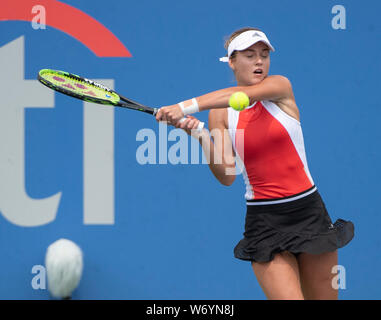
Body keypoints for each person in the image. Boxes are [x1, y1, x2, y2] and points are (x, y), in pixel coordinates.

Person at [155, 27, 354, 300]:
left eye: (264, 55)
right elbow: (227, 175)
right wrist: (200, 135)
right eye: (250, 55)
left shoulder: (280, 87)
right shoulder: (220, 114)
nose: (259, 61)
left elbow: (244, 97)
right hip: (265, 221)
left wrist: (183, 106)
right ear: (232, 62)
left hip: (309, 214)